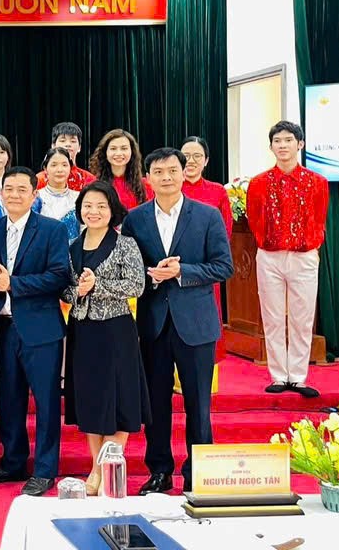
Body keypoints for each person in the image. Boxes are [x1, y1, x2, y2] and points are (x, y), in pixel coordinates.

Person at [121, 148, 234, 494]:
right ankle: (160, 470)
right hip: (153, 323)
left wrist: (182, 271)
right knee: (156, 404)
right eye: (158, 172)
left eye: (172, 170)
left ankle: (198, 473)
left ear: (184, 173)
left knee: (198, 404)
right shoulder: (135, 219)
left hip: (196, 324)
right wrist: (152, 276)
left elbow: (223, 266)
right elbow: (128, 268)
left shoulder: (207, 215)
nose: (166, 177)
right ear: (148, 178)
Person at [0, 166, 73, 496]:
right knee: (9, 399)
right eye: (9, 189)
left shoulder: (52, 229)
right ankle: (13, 462)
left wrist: (12, 284)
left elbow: (59, 276)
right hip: (4, 327)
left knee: (46, 402)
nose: (15, 195)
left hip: (42, 328)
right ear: (1, 193)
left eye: (23, 189)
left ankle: (45, 470)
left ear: (34, 195)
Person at [62, 182, 148, 495]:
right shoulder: (72, 245)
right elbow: (63, 289)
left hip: (116, 330)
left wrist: (97, 286)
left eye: (101, 206)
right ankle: (96, 468)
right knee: (91, 401)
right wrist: (77, 290)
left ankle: (107, 468)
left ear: (112, 209)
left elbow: (137, 285)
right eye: (88, 206)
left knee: (120, 398)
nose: (93, 211)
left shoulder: (125, 244)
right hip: (83, 330)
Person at [246, 121, 329, 398]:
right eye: (277, 141)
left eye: (288, 140)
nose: (282, 145)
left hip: (304, 256)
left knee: (302, 318)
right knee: (271, 317)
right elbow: (254, 220)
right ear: (271, 146)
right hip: (269, 256)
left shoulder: (318, 182)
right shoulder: (258, 183)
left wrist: (306, 243)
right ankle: (279, 375)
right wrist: (270, 241)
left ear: (300, 144)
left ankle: (299, 377)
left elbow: (319, 218)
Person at [179, 136, 233, 327]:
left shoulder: (218, 191)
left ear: (206, 161)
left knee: (206, 320)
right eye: (186, 156)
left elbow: (225, 231)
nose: (191, 161)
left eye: (197, 156)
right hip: (173, 263)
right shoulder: (168, 189)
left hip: (207, 266)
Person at [88, 129, 153, 210]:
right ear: (105, 152)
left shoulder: (146, 185)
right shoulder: (92, 184)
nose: (118, 153)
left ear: (132, 152)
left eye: (124, 148)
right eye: (113, 148)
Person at [33, 147, 81, 241]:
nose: (59, 170)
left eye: (64, 165)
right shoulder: (36, 198)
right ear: (45, 169)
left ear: (70, 168)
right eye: (54, 165)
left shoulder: (79, 197)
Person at [36, 122, 96, 191]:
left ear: (79, 147)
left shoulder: (89, 179)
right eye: (62, 141)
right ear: (53, 146)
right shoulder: (39, 179)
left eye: (73, 141)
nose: (68, 144)